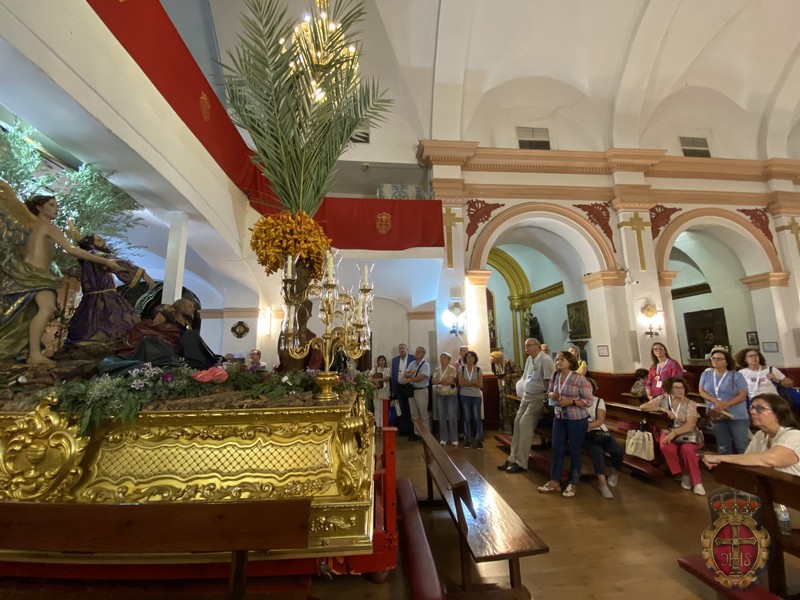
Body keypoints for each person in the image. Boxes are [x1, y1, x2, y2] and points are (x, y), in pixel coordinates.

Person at [0, 190, 122, 364]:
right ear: (39, 207)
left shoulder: (29, 225)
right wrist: (105, 261)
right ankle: (34, 354)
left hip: (25, 273)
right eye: (51, 205)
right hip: (37, 276)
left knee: (27, 313)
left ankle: (29, 352)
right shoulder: (48, 227)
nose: (56, 208)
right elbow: (71, 250)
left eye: (57, 205)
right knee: (47, 308)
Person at [65, 233, 154, 348]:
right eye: (99, 240)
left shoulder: (87, 257)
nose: (104, 243)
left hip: (89, 302)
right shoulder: (96, 255)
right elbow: (117, 263)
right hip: (106, 300)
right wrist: (143, 274)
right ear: (91, 245)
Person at [538, 350, 593, 498]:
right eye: (557, 359)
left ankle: (573, 483)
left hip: (576, 419)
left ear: (570, 362)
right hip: (559, 417)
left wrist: (571, 402)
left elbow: (588, 401)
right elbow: (549, 392)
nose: (558, 362)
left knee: (575, 450)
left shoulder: (579, 378)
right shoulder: (555, 376)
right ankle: (554, 482)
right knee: (557, 449)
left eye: (562, 360)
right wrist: (552, 395)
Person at [703, 393, 800, 475]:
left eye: (760, 408)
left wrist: (721, 458)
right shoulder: (760, 435)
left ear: (778, 414)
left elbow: (770, 459)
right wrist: (721, 462)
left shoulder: (794, 435)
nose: (752, 412)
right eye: (752, 407)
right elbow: (747, 459)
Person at [641, 377, 706, 496]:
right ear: (669, 389)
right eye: (676, 388)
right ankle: (684, 473)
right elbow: (643, 406)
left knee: (686, 450)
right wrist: (662, 409)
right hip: (668, 432)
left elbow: (691, 424)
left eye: (682, 388)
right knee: (665, 445)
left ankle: (697, 482)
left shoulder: (690, 404)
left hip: (688, 434)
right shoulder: (663, 399)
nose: (680, 390)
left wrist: (674, 433)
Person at [498, 338, 554, 473]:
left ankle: (522, 462)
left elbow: (550, 383)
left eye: (528, 345)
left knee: (525, 423)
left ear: (538, 346)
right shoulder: (530, 359)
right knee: (517, 422)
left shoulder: (545, 360)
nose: (526, 348)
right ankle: (512, 458)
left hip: (539, 397)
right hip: (527, 396)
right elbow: (525, 378)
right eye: (525, 346)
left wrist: (547, 403)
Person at [698, 347, 748, 455]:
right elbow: (701, 391)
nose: (715, 360)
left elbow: (742, 395)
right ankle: (726, 464)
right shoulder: (706, 374)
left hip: (736, 415)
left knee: (741, 445)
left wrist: (726, 404)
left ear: (727, 361)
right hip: (716, 414)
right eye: (713, 358)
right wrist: (715, 401)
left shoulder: (736, 376)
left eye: (719, 359)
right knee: (723, 445)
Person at [584, 378, 625, 499]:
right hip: (585, 434)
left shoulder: (598, 401)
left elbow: (601, 419)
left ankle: (615, 472)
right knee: (597, 452)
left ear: (593, 388)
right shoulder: (577, 400)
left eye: (589, 386)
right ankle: (603, 484)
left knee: (618, 450)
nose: (586, 389)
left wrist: (590, 426)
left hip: (600, 431)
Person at [173, 298, 224, 370]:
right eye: (190, 306)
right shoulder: (172, 328)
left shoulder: (187, 330)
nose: (194, 309)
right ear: (180, 307)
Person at [457, 350, 484, 449]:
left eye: (472, 357)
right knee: (467, 417)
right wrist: (473, 382)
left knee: (477, 418)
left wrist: (467, 383)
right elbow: (461, 383)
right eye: (468, 357)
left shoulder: (478, 369)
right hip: (464, 395)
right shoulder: (461, 369)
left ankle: (479, 441)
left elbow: (480, 385)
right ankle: (467, 440)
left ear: (475, 359)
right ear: (465, 358)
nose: (470, 359)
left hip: (476, 396)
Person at [490, 350, 521, 434]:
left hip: (511, 388)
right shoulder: (497, 365)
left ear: (498, 358)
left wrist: (509, 376)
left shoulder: (509, 362)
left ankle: (516, 428)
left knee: (513, 407)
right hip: (503, 389)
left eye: (493, 359)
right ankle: (506, 429)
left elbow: (518, 372)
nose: (492, 361)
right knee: (504, 408)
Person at [404, 346, 431, 441]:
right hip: (412, 391)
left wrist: (410, 379)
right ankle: (417, 433)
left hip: (421, 391)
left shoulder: (425, 365)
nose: (416, 353)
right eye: (416, 351)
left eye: (419, 352)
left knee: (423, 414)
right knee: (414, 414)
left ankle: (426, 435)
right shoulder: (412, 363)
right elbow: (405, 374)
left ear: (423, 354)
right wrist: (410, 373)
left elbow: (423, 377)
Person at [431, 352, 458, 445]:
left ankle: (454, 438)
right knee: (441, 416)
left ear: (449, 360)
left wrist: (440, 381)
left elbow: (451, 381)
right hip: (440, 394)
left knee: (452, 416)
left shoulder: (452, 368)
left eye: (444, 358)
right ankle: (443, 438)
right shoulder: (437, 369)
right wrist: (443, 380)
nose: (442, 359)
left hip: (451, 394)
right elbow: (433, 381)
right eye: (441, 357)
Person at [391, 343, 413, 437]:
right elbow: (393, 375)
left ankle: (411, 429)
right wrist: (393, 389)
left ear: (407, 349)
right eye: (400, 348)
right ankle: (404, 428)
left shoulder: (412, 358)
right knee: (402, 408)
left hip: (409, 387)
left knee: (410, 408)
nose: (402, 350)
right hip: (399, 387)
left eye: (403, 348)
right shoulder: (395, 360)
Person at [370, 355, 391, 428]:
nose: (381, 361)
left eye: (383, 360)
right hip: (377, 391)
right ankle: (377, 425)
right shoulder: (374, 369)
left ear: (385, 361)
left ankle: (383, 426)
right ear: (378, 361)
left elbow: (388, 378)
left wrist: (378, 379)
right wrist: (374, 380)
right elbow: (370, 377)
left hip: (385, 391)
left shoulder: (387, 369)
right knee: (377, 408)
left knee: (383, 409)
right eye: (380, 360)